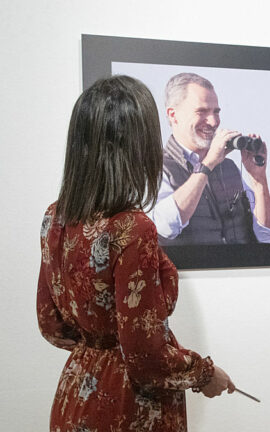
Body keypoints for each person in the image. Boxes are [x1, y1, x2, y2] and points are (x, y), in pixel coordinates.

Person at [37, 75, 235, 431]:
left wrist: (97, 349)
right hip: (128, 406)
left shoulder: (56, 216)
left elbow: (51, 326)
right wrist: (205, 374)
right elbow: (145, 356)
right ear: (137, 144)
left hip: (77, 392)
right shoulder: (131, 227)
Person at [148, 72, 265, 246]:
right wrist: (207, 164)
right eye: (201, 111)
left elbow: (266, 235)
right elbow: (164, 226)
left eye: (216, 112)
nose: (213, 121)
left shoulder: (229, 167)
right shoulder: (153, 167)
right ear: (173, 115)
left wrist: (259, 179)